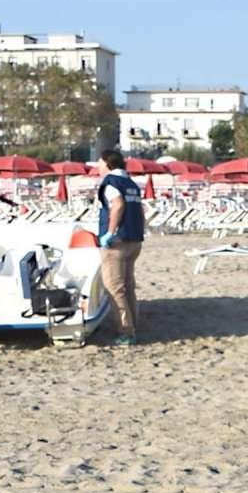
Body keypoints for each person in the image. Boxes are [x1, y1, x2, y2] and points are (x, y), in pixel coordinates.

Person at [95, 148, 147, 346]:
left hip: (116, 243)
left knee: (114, 287)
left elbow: (117, 205)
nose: (98, 167)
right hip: (134, 240)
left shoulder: (111, 183)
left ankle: (126, 331)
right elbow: (139, 210)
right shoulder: (131, 183)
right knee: (128, 286)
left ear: (107, 163)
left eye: (100, 163)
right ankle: (134, 323)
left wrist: (109, 232)